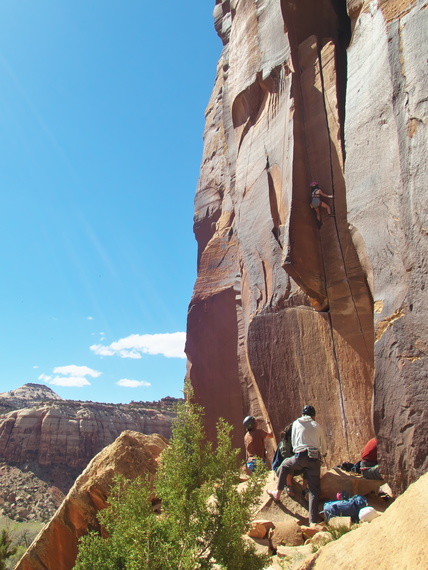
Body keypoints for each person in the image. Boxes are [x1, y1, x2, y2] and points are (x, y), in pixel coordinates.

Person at [267, 405, 326, 524]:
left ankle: (277, 493)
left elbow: (294, 443)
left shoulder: (296, 424)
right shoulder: (317, 426)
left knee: (284, 465)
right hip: (314, 458)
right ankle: (313, 521)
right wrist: (323, 454)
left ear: (303, 414)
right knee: (314, 490)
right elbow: (323, 446)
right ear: (313, 416)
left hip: (300, 456)